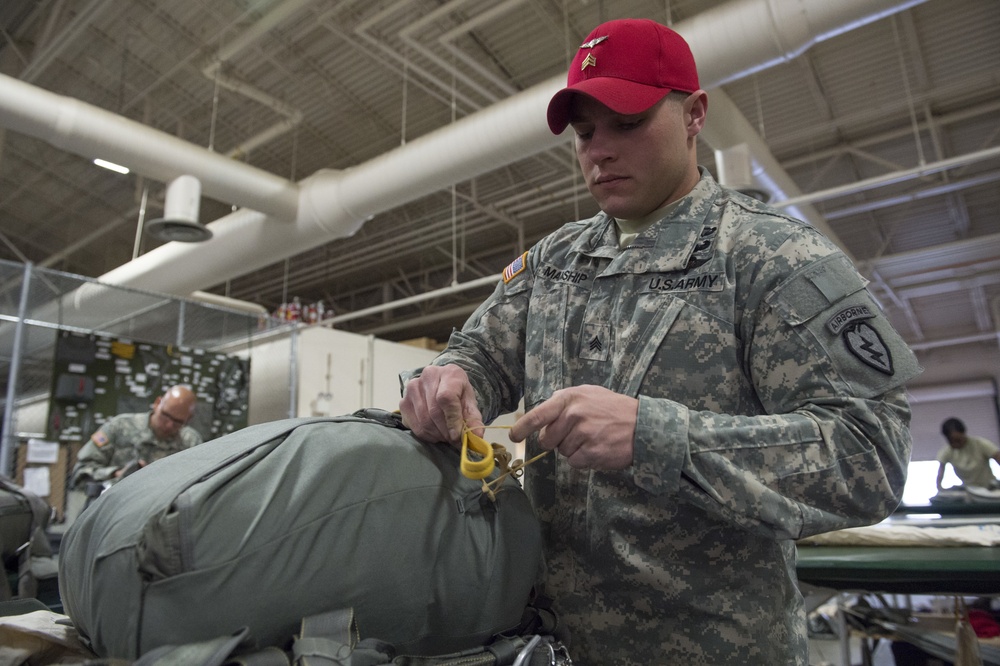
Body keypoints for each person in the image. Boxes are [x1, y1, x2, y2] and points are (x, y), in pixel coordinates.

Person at [398, 17, 922, 665]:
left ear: (695, 114)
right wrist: (448, 382)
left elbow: (871, 457)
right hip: (559, 645)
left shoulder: (769, 257)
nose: (599, 151)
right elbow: (477, 358)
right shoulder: (554, 262)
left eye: (628, 123)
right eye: (585, 133)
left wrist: (658, 436)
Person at [71, 384, 202, 488]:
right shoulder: (120, 427)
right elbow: (81, 472)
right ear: (157, 403)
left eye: (178, 422)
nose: (168, 425)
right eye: (166, 415)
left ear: (188, 419)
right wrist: (118, 474)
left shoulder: (191, 442)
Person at [936, 417, 1000, 490]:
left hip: (989, 487)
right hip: (969, 489)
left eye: (958, 440)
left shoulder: (979, 444)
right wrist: (939, 488)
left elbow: (997, 456)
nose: (955, 444)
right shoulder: (947, 451)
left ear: (964, 433)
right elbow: (940, 472)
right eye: (951, 441)